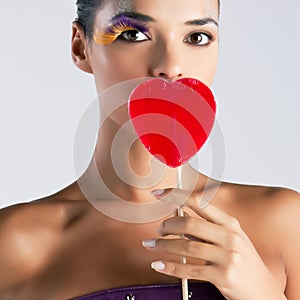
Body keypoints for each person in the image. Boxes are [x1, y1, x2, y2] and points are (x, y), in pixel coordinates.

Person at [0, 0, 299, 299]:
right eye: (133, 35)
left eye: (196, 38)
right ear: (81, 47)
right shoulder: (13, 246)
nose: (170, 67)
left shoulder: (284, 225)